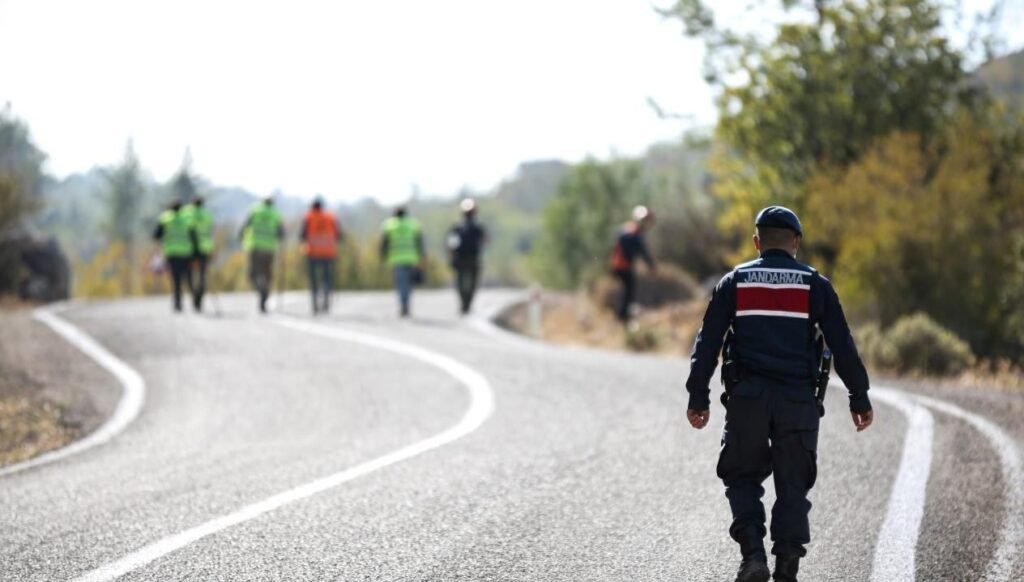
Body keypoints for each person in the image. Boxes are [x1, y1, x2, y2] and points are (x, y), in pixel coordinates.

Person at [684, 206, 874, 582]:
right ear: (796, 242)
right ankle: (787, 568)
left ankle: (753, 556)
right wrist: (859, 396)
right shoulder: (815, 285)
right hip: (798, 402)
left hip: (747, 400)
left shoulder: (734, 282)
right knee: (793, 485)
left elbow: (707, 344)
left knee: (742, 477)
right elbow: (842, 345)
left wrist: (698, 396)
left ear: (757, 242)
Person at [609, 205, 656, 323]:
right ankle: (622, 316)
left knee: (627, 289)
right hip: (623, 265)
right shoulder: (634, 233)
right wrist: (651, 265)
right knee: (629, 289)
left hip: (617, 264)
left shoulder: (627, 229)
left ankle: (622, 315)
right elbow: (642, 251)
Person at [240, 196, 284, 314]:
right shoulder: (275, 214)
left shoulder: (255, 211)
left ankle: (261, 290)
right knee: (267, 274)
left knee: (252, 274)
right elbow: (281, 233)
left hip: (256, 247)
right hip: (269, 249)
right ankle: (265, 292)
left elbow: (246, 225)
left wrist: (241, 237)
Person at [152, 200, 198, 313]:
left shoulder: (165, 219)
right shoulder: (187, 220)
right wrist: (195, 253)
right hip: (186, 252)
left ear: (170, 209)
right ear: (181, 209)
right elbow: (193, 237)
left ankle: (178, 303)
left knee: (176, 278)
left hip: (172, 253)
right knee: (188, 278)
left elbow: (156, 235)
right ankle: (195, 300)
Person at [379, 206, 424, 317]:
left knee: (401, 284)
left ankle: (403, 305)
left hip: (397, 258)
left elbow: (384, 243)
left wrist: (382, 256)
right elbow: (419, 243)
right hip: (412, 258)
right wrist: (421, 257)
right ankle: (406, 304)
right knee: (409, 284)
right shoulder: (413, 225)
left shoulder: (389, 225)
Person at [300, 197, 341, 315]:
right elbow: (339, 235)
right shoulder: (331, 218)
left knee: (313, 278)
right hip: (328, 253)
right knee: (327, 277)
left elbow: (302, 235)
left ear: (312, 207)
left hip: (312, 253)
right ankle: (325, 291)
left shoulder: (308, 217)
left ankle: (315, 301)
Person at [446, 198, 487, 315]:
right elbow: (485, 241)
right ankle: (466, 303)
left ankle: (465, 303)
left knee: (462, 283)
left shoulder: (458, 228)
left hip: (462, 259)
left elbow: (450, 245)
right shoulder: (475, 228)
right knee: (470, 283)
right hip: (471, 259)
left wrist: (451, 257)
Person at [181, 196, 214, 312]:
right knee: (202, 276)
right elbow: (209, 232)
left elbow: (188, 230)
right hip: (204, 249)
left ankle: (194, 295)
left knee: (189, 275)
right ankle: (199, 298)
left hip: (189, 250)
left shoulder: (187, 213)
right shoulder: (207, 215)